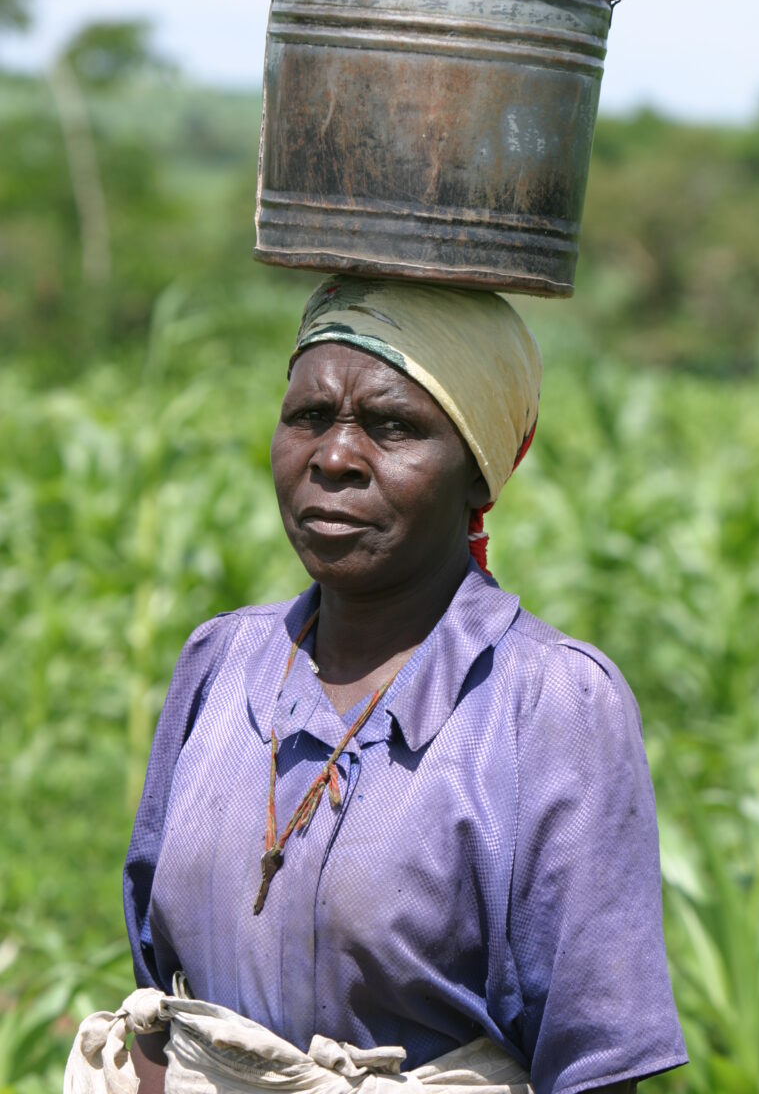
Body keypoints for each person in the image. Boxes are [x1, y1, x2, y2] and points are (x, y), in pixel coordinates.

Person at [122, 277, 687, 1094]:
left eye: (394, 427)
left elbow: (596, 1065)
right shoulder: (222, 662)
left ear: (479, 475)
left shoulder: (549, 704)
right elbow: (156, 992)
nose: (336, 457)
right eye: (309, 418)